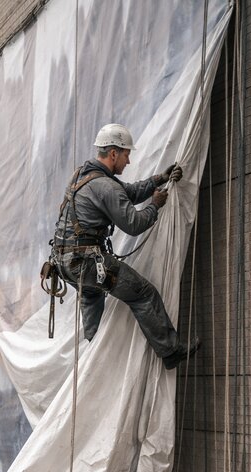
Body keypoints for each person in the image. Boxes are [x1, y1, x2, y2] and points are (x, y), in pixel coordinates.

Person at [52, 123, 200, 370]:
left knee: (91, 297)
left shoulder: (84, 175)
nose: (128, 161)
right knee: (143, 293)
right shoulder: (106, 186)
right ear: (113, 154)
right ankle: (171, 351)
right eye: (126, 154)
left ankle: (94, 362)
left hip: (66, 265)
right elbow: (133, 224)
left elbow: (127, 192)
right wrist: (155, 205)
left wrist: (158, 179)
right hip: (87, 263)